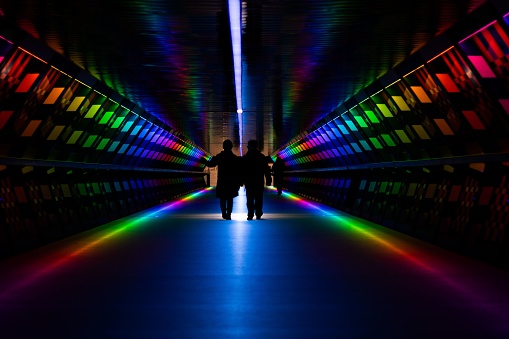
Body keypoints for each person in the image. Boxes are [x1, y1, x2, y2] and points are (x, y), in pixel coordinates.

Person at [203, 139, 241, 220]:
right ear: (231, 147)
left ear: (223, 147)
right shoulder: (234, 158)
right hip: (231, 181)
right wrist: (239, 182)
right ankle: (229, 214)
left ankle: (224, 213)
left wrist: (204, 161)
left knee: (222, 198)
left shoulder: (219, 157)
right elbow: (238, 171)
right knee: (230, 198)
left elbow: (211, 164)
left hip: (222, 181)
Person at [241, 140, 271, 220]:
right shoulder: (261, 157)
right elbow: (266, 169)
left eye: (248, 146)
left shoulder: (245, 158)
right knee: (259, 198)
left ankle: (250, 213)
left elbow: (242, 170)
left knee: (250, 198)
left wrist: (241, 180)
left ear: (250, 147)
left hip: (249, 181)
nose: (247, 147)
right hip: (259, 181)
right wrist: (268, 179)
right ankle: (258, 212)